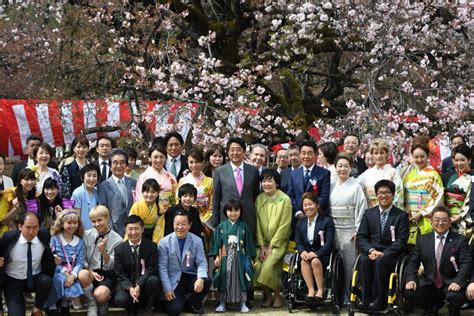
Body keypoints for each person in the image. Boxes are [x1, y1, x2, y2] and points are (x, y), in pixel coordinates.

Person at [405, 206, 471, 316]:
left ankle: (453, 309)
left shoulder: (460, 240)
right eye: (437, 220)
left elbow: (466, 263)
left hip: (451, 282)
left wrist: (458, 282)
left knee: (456, 297)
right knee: (409, 293)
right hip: (429, 282)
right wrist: (410, 279)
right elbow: (413, 262)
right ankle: (431, 307)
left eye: (444, 220)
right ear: (431, 221)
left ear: (450, 222)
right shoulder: (422, 240)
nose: (440, 223)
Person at [356, 179, 409, 310]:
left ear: (393, 194)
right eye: (380, 193)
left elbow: (402, 241)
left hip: (390, 255)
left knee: (381, 261)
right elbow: (361, 236)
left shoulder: (401, 215)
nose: (383, 196)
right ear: (376, 194)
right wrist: (371, 250)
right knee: (363, 260)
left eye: (387, 192)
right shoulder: (369, 214)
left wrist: (384, 253)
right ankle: (366, 299)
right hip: (372, 252)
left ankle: (380, 300)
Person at [0, 212, 54, 316]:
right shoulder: (8, 237)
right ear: (20, 226)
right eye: (27, 227)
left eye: (35, 227)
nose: (31, 231)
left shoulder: (44, 234)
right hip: (13, 279)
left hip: (35, 277)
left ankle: (37, 309)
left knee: (47, 281)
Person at [329, 153, 367, 297]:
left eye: (346, 166)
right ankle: (334, 293)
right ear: (335, 167)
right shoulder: (331, 185)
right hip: (333, 228)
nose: (343, 169)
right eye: (340, 166)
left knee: (349, 264)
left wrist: (358, 229)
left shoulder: (356, 186)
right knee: (333, 261)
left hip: (350, 229)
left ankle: (349, 295)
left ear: (351, 168)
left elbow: (361, 209)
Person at [158, 211, 211, 315]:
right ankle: (172, 301)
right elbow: (162, 268)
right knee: (174, 310)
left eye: (183, 224)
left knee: (207, 280)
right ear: (173, 224)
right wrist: (167, 289)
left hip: (189, 276)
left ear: (189, 225)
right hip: (173, 279)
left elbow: (202, 262)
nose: (180, 227)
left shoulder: (197, 241)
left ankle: (192, 303)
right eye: (177, 224)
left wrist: (200, 278)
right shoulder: (164, 242)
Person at [209, 199, 256, 313]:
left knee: (241, 278)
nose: (233, 213)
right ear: (225, 212)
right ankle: (222, 302)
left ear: (240, 211)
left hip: (240, 257)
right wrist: (217, 256)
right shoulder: (221, 227)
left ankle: (243, 302)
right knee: (224, 278)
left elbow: (249, 244)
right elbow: (216, 243)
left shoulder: (244, 227)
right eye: (230, 210)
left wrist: (250, 258)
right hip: (225, 256)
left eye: (236, 210)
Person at [254, 169, 292, 308]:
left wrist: (272, 245)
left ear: (277, 183)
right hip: (262, 244)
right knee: (257, 266)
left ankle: (277, 296)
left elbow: (285, 224)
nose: (266, 183)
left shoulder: (284, 199)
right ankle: (268, 296)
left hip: (279, 243)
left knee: (268, 267)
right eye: (264, 181)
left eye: (270, 180)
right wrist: (262, 245)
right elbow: (257, 223)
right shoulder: (259, 198)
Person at [78, 205, 123, 316]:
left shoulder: (118, 239)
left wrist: (104, 252)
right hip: (91, 272)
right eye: (93, 221)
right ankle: (92, 303)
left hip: (108, 274)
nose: (97, 224)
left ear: (107, 218)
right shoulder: (87, 235)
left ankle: (103, 301)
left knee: (101, 295)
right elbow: (82, 258)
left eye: (100, 220)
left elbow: (114, 266)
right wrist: (90, 271)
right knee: (83, 274)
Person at [212, 137, 260, 235]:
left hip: (248, 217)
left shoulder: (253, 171)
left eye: (238, 150)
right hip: (228, 216)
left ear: (244, 152)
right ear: (228, 152)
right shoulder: (220, 171)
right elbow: (216, 199)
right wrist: (216, 222)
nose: (235, 153)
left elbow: (256, 195)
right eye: (232, 150)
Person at [114, 215, 160, 313]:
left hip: (144, 284)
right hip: (128, 285)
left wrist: (139, 284)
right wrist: (130, 287)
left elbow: (151, 269)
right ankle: (132, 309)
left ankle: (148, 309)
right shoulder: (119, 249)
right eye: (130, 229)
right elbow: (120, 273)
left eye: (136, 229)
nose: (133, 233)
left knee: (154, 281)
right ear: (125, 230)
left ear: (142, 229)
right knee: (120, 299)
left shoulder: (152, 247)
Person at [295, 192, 335, 305]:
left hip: (323, 254)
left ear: (317, 205)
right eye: (305, 205)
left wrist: (317, 253)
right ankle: (311, 290)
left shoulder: (327, 221)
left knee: (315, 261)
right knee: (303, 261)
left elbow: (329, 243)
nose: (308, 207)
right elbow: (298, 242)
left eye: (310, 204)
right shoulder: (300, 223)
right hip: (306, 253)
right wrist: (302, 251)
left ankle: (321, 290)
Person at [402, 136, 444, 245]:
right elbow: (403, 197)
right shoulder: (408, 176)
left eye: (422, 156)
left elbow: (438, 197)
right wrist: (408, 212)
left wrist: (421, 213)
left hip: (427, 218)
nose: (419, 160)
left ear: (427, 156)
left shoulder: (433, 174)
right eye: (416, 157)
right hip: (411, 218)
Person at [287, 140, 330, 236]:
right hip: (298, 218)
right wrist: (298, 211)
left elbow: (324, 196)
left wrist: (311, 210)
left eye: (310, 153)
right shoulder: (294, 174)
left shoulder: (324, 173)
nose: (306, 156)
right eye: (303, 153)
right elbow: (290, 195)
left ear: (315, 155)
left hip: (318, 217)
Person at [46, 209, 86, 313]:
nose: (72, 226)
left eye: (75, 223)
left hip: (73, 271)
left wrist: (73, 275)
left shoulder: (80, 241)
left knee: (70, 281)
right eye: (69, 223)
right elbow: (52, 258)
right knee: (57, 278)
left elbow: (80, 262)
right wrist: (65, 272)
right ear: (62, 224)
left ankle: (64, 302)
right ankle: (53, 304)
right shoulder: (55, 239)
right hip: (58, 269)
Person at [98, 149, 137, 237]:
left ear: (126, 164)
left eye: (122, 162)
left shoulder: (134, 183)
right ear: (110, 165)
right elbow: (104, 211)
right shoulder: (103, 186)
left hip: (133, 230)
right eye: (115, 162)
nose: (119, 166)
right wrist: (111, 231)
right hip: (114, 231)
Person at [177, 148, 213, 238]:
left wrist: (204, 219)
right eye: (191, 162)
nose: (194, 165)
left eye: (197, 162)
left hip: (205, 219)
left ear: (202, 162)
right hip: (186, 218)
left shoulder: (210, 181)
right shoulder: (183, 181)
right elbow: (177, 201)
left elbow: (212, 203)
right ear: (187, 163)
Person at [358, 138, 403, 208]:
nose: (379, 156)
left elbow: (398, 195)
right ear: (372, 155)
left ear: (387, 154)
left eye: (382, 153)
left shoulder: (393, 172)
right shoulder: (366, 174)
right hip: (371, 211)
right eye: (376, 153)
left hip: (390, 211)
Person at [135, 144, 177, 212]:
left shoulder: (171, 177)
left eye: (161, 157)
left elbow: (175, 197)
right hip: (150, 213)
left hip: (169, 213)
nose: (158, 160)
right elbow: (139, 198)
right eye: (155, 157)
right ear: (150, 158)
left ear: (165, 158)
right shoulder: (144, 177)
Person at [442, 143, 472, 236]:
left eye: (462, 160)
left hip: (466, 219)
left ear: (469, 160)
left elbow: (471, 201)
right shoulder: (449, 177)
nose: (459, 163)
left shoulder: (472, 177)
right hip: (448, 219)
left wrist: (459, 217)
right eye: (456, 160)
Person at [1, 169, 38, 233]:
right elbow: (3, 221)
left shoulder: (36, 195)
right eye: (26, 180)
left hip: (31, 232)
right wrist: (14, 209)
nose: (30, 182)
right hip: (12, 233)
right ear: (20, 181)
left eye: (32, 179)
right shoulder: (10, 195)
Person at [129, 178, 164, 242]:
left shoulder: (160, 208)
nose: (149, 195)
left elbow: (159, 227)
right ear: (142, 192)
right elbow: (131, 224)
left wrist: (156, 242)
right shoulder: (137, 206)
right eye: (147, 192)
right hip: (138, 234)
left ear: (158, 193)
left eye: (153, 192)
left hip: (152, 235)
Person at [72, 164, 100, 231]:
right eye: (89, 175)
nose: (91, 179)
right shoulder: (77, 193)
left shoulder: (97, 191)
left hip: (95, 230)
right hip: (82, 231)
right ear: (82, 177)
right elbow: (76, 217)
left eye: (94, 176)